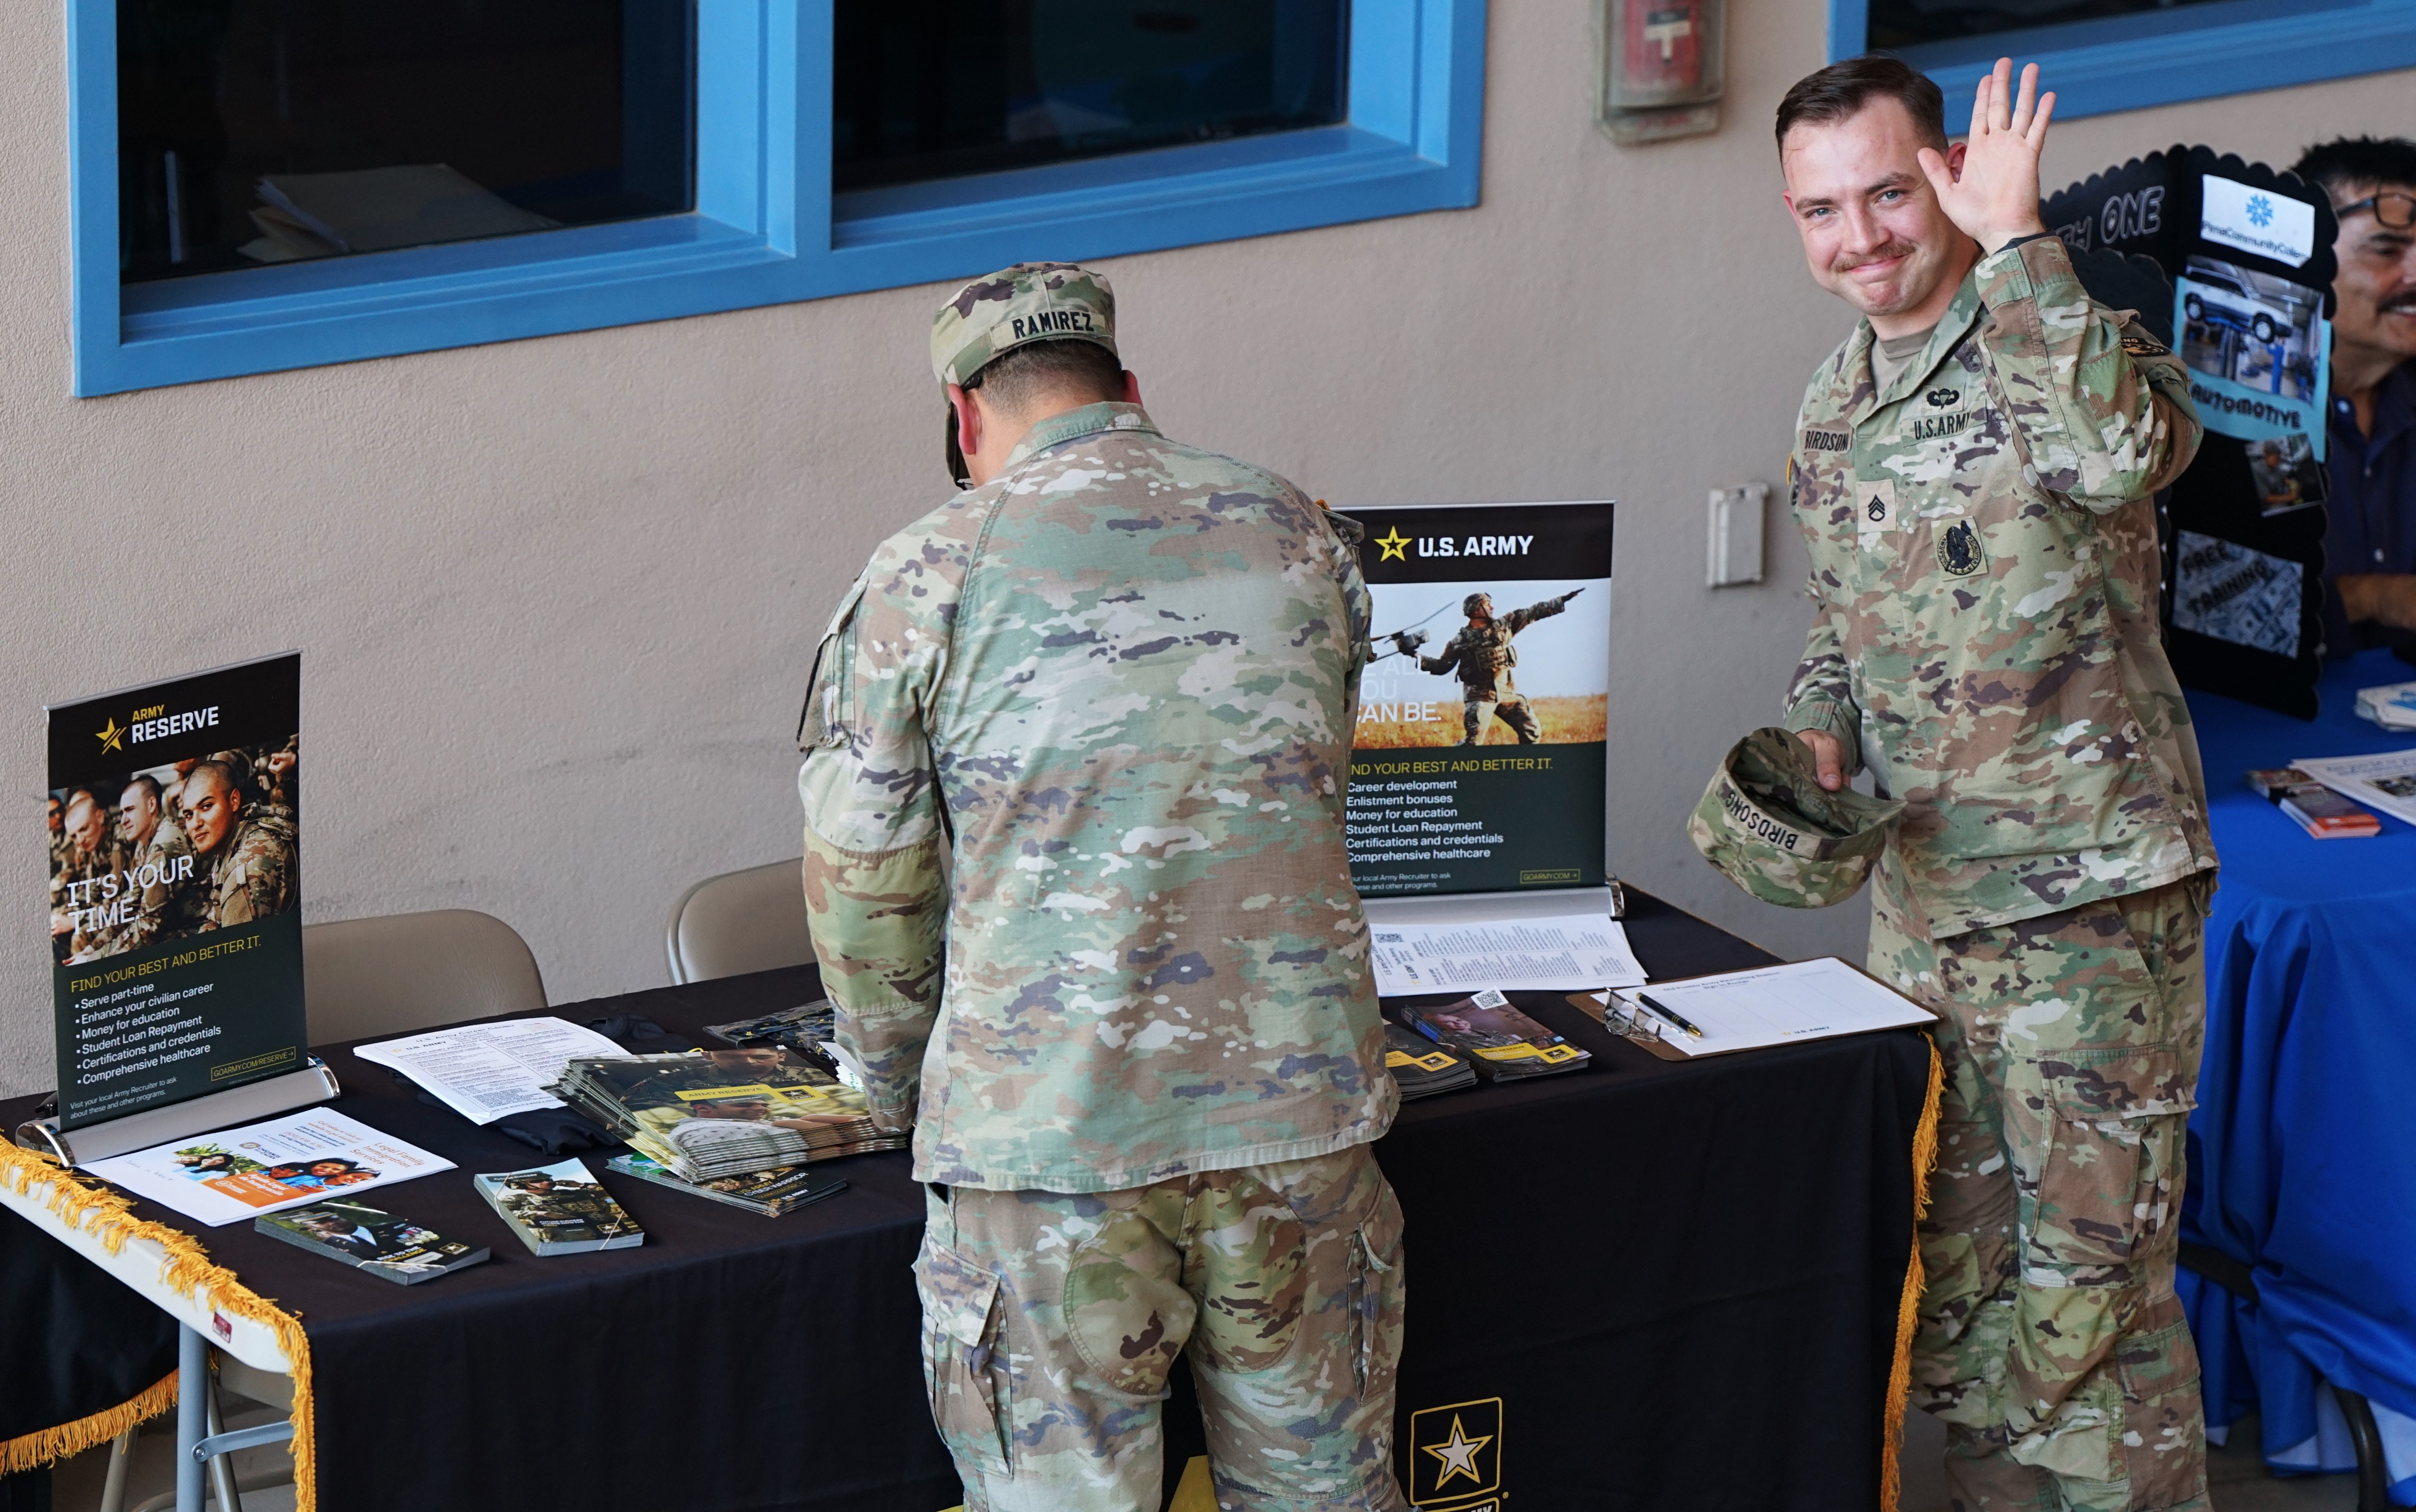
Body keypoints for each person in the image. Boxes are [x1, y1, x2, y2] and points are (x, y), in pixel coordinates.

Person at [798, 261, 1403, 1511]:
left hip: (1050, 1140)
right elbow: (1313, 786)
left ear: (964, 419)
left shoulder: (931, 571)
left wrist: (888, 1086)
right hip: (1300, 1127)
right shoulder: (1299, 528)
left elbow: (869, 882)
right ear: (1127, 388)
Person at [1773, 56, 2214, 1510]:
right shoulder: (1837, 401)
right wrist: (1820, 731)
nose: (1861, 239)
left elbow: (2123, 455)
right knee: (1958, 1292)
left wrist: (2024, 243)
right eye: (1821, 211)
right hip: (1929, 913)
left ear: (1950, 173)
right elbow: (1841, 624)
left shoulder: (2063, 334)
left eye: (1889, 193)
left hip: (2091, 910)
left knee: (2093, 1299)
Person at [2291, 136, 2416, 657]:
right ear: (2303, 259)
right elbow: (2225, 609)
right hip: (2278, 730)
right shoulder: (2256, 414)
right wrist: (2374, 597)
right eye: (2388, 251)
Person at [1401, 589, 1582, 746]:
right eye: (1487, 604)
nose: (1492, 608)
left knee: (1532, 732)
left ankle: (1523, 771)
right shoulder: (1460, 641)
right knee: (1473, 743)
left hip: (1507, 694)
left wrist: (1561, 601)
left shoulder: (1504, 626)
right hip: (1480, 698)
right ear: (1475, 610)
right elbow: (1441, 667)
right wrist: (1416, 656)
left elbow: (1533, 612)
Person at [179, 757, 298, 930]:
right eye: (189, 815)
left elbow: (237, 951)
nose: (196, 823)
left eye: (206, 807)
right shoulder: (234, 840)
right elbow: (216, 918)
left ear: (234, 801)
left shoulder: (250, 863)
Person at [2249, 439, 2302, 510]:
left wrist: (2292, 484)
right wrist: (2290, 497)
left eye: (2279, 458)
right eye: (2276, 459)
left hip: (2279, 493)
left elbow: (2282, 478)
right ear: (2267, 456)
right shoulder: (2256, 470)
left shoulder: (2275, 466)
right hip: (2268, 506)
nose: (2278, 462)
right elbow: (2266, 499)